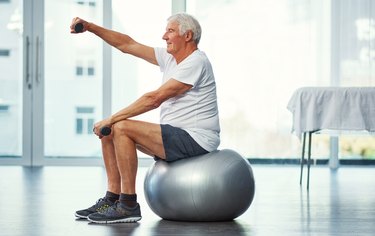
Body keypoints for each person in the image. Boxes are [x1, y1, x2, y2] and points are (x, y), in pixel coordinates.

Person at [71, 13, 220, 224]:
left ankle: (128, 205)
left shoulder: (196, 62)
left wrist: (111, 118)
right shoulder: (171, 59)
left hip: (196, 139)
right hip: (175, 135)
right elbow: (127, 44)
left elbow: (154, 98)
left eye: (170, 31)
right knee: (111, 130)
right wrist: (91, 27)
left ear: (187, 36)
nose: (163, 36)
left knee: (119, 125)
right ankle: (112, 199)